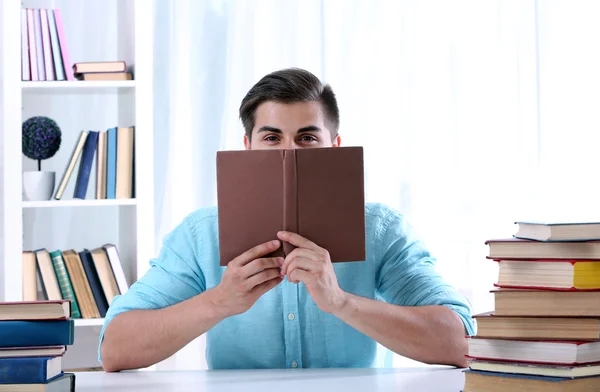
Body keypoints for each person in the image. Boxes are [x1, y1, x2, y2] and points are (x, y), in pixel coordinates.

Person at [99, 68, 475, 372]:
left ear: (335, 148)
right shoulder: (201, 235)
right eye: (272, 137)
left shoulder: (382, 230)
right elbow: (114, 348)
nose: (290, 152)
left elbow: (461, 342)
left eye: (308, 138)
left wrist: (341, 302)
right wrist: (219, 302)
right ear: (247, 148)